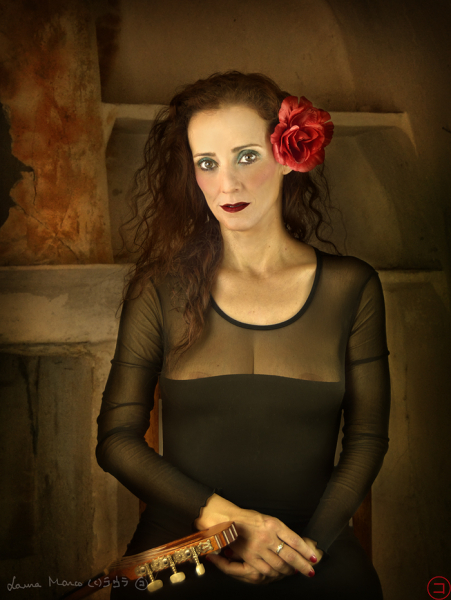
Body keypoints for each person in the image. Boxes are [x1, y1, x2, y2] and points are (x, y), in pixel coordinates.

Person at [96, 71, 391, 599]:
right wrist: (223, 519)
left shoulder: (353, 286)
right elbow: (116, 439)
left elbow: (366, 440)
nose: (226, 184)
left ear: (289, 156)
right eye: (207, 163)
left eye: (246, 156)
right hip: (183, 542)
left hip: (311, 546)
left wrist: (303, 550)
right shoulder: (159, 290)